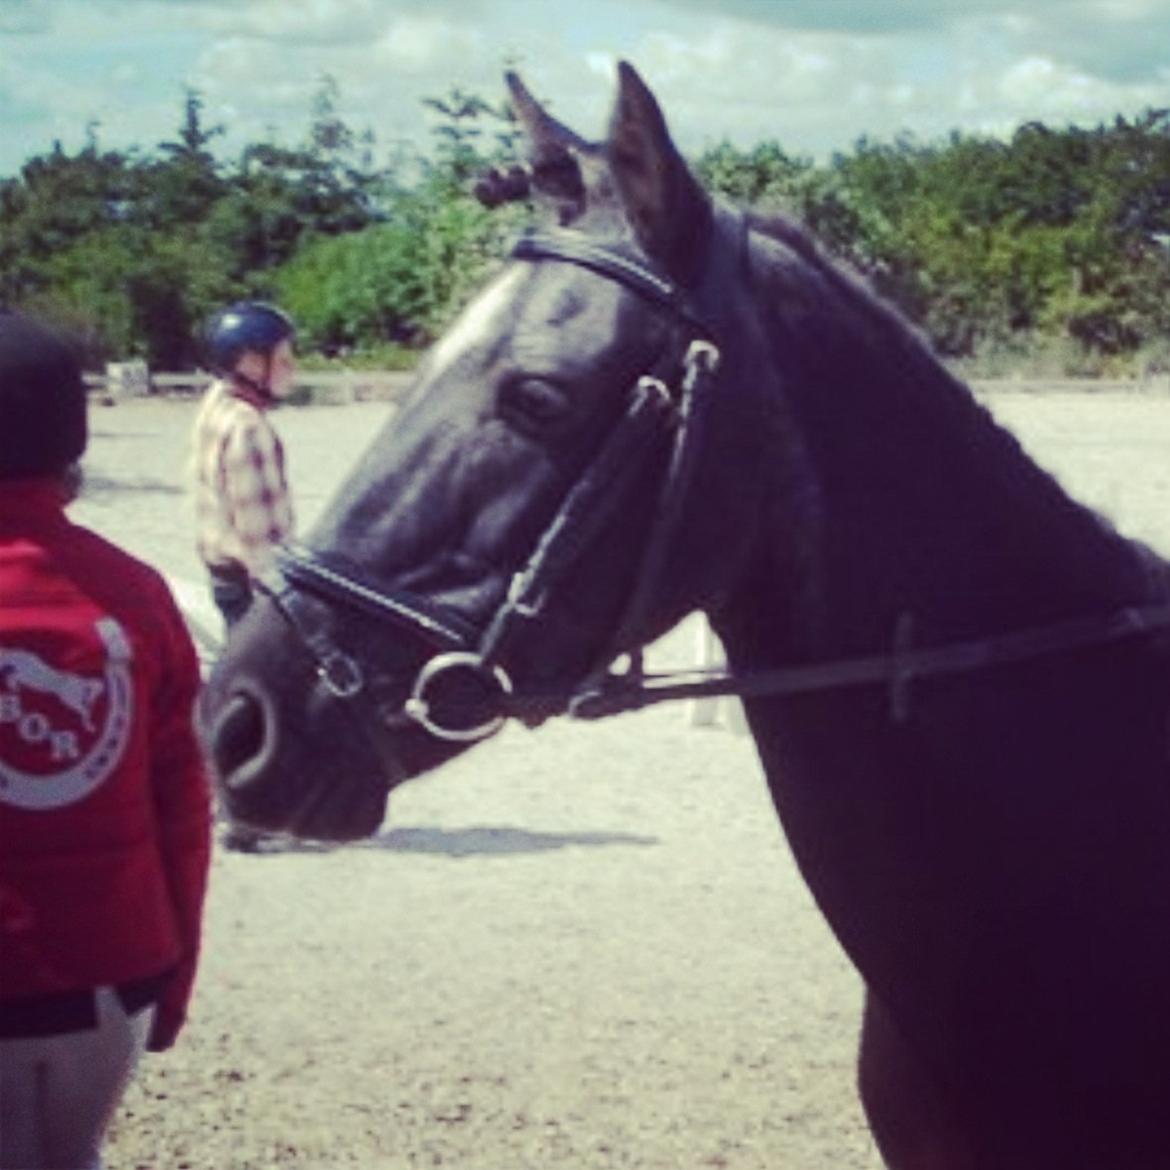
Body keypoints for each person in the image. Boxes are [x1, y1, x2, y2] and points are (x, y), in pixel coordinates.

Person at [0, 311, 212, 1170]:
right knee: (73, 1153)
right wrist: (174, 972)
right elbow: (184, 807)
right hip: (116, 965)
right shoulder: (135, 592)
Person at [189, 301, 296, 851]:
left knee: (240, 689)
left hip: (221, 569)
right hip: (253, 579)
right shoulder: (249, 427)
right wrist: (284, 600)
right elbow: (261, 531)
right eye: (283, 356)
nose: (292, 367)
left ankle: (232, 804)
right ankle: (245, 812)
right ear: (251, 364)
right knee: (265, 697)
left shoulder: (215, 407)